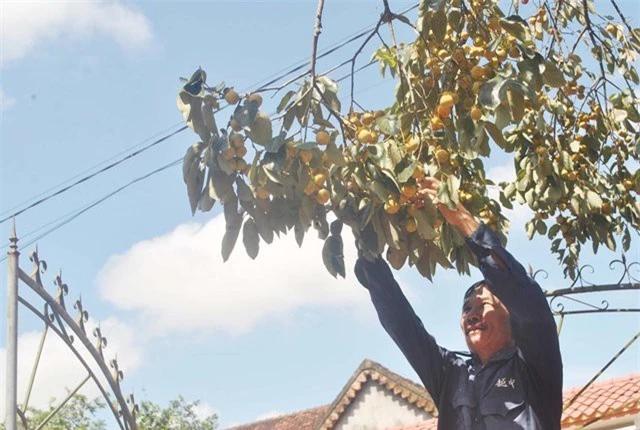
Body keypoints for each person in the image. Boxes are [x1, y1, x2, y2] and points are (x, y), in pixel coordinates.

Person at [354, 178, 563, 429]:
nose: (472, 315)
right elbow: (403, 325)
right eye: (467, 309)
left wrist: (462, 220)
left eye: (483, 305)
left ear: (511, 316)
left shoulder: (533, 365)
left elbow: (525, 298)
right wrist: (366, 239)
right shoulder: (451, 373)